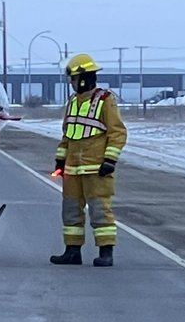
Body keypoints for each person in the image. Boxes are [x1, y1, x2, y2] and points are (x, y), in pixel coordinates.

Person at [50, 53, 127, 267]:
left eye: (74, 79)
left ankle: (106, 252)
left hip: (96, 169)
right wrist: (60, 161)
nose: (72, 84)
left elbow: (117, 133)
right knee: (71, 211)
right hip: (73, 170)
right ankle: (72, 251)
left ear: (84, 78)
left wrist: (110, 160)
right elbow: (67, 136)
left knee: (100, 210)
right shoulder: (73, 102)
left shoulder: (105, 100)